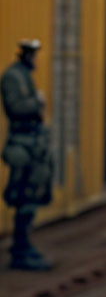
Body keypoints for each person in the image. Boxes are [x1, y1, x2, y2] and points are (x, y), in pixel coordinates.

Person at [1, 39, 53, 271]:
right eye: (34, 55)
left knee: (32, 192)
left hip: (31, 143)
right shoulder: (13, 77)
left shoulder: (22, 75)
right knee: (23, 193)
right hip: (22, 145)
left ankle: (23, 245)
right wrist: (37, 102)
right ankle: (20, 249)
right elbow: (16, 107)